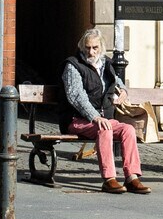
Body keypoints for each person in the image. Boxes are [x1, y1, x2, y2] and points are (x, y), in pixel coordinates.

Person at [60, 29, 150, 194]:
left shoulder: (106, 64)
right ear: (81, 47)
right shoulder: (73, 66)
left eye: (95, 48)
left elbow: (118, 81)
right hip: (77, 119)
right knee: (105, 129)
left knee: (128, 130)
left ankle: (132, 177)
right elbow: (76, 97)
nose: (91, 52)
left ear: (101, 47)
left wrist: (123, 91)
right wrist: (94, 117)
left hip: (104, 118)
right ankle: (109, 178)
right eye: (87, 48)